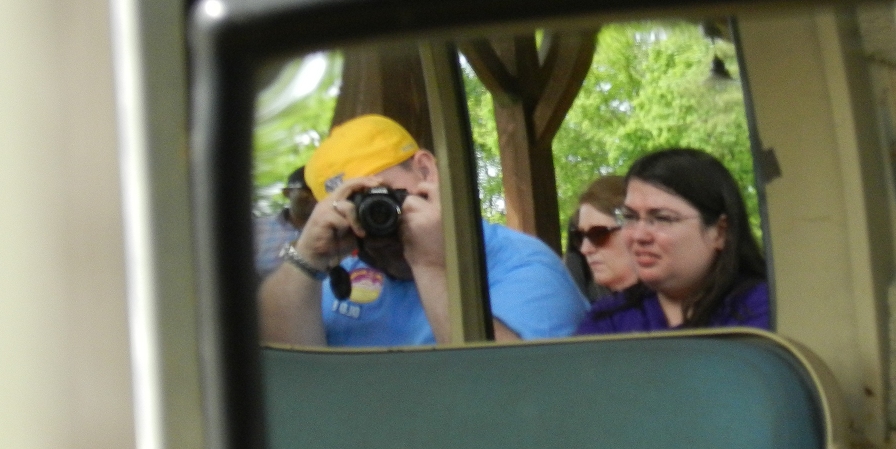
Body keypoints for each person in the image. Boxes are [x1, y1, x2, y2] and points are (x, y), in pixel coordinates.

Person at [259, 114, 588, 346]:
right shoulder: (343, 271)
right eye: (356, 206)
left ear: (426, 170)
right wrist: (306, 260)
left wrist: (431, 265)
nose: (376, 220)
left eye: (386, 195)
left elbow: (515, 390)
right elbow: (290, 378)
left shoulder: (519, 264)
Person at [576, 148, 769, 334]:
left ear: (720, 232)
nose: (639, 235)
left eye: (662, 218)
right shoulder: (609, 319)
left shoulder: (766, 309)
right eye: (631, 217)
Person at [564, 175, 637, 300]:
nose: (585, 249)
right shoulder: (598, 316)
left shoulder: (675, 309)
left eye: (598, 234)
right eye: (580, 236)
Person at [252, 166, 316, 280]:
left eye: (319, 190)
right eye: (307, 189)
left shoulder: (336, 231)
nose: (315, 196)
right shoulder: (258, 229)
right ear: (287, 193)